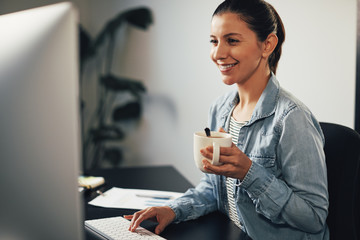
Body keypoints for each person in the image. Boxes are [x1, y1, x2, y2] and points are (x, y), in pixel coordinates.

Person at [124, 0, 329, 239]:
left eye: (232, 40)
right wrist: (173, 209)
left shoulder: (292, 119)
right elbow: (214, 188)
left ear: (267, 45)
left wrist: (249, 173)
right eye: (214, 41)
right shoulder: (220, 108)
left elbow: (313, 218)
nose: (218, 53)